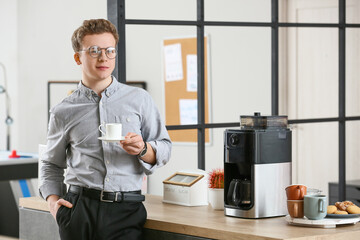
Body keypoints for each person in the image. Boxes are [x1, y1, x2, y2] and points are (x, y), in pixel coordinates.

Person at [39, 18, 172, 240]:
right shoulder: (63, 110)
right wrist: (54, 205)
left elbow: (165, 148)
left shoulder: (139, 100)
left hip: (127, 210)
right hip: (78, 211)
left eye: (110, 51)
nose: (104, 57)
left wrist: (142, 149)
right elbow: (51, 163)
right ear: (77, 57)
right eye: (94, 50)